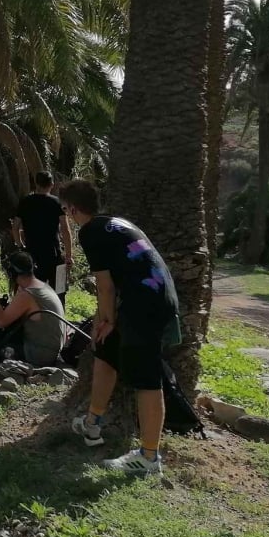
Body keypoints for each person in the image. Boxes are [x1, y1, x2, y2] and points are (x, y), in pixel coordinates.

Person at [62, 178, 181, 477]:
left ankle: (149, 457)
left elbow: (105, 286)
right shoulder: (114, 223)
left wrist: (106, 320)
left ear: (73, 209)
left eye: (66, 211)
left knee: (146, 378)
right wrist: (108, 326)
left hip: (146, 306)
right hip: (152, 297)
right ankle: (92, 425)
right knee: (105, 350)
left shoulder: (90, 231)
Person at [0, 251, 67, 367]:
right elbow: (12, 312)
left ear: (12, 273)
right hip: (49, 351)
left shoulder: (27, 294)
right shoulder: (41, 286)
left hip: (38, 355)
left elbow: (1, 322)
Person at [12, 171, 73, 293]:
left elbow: (15, 227)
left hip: (32, 255)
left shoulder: (25, 202)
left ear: (36, 184)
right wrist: (68, 255)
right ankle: (59, 312)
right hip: (53, 254)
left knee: (32, 294)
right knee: (59, 291)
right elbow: (65, 230)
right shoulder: (57, 203)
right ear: (52, 184)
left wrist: (20, 246)